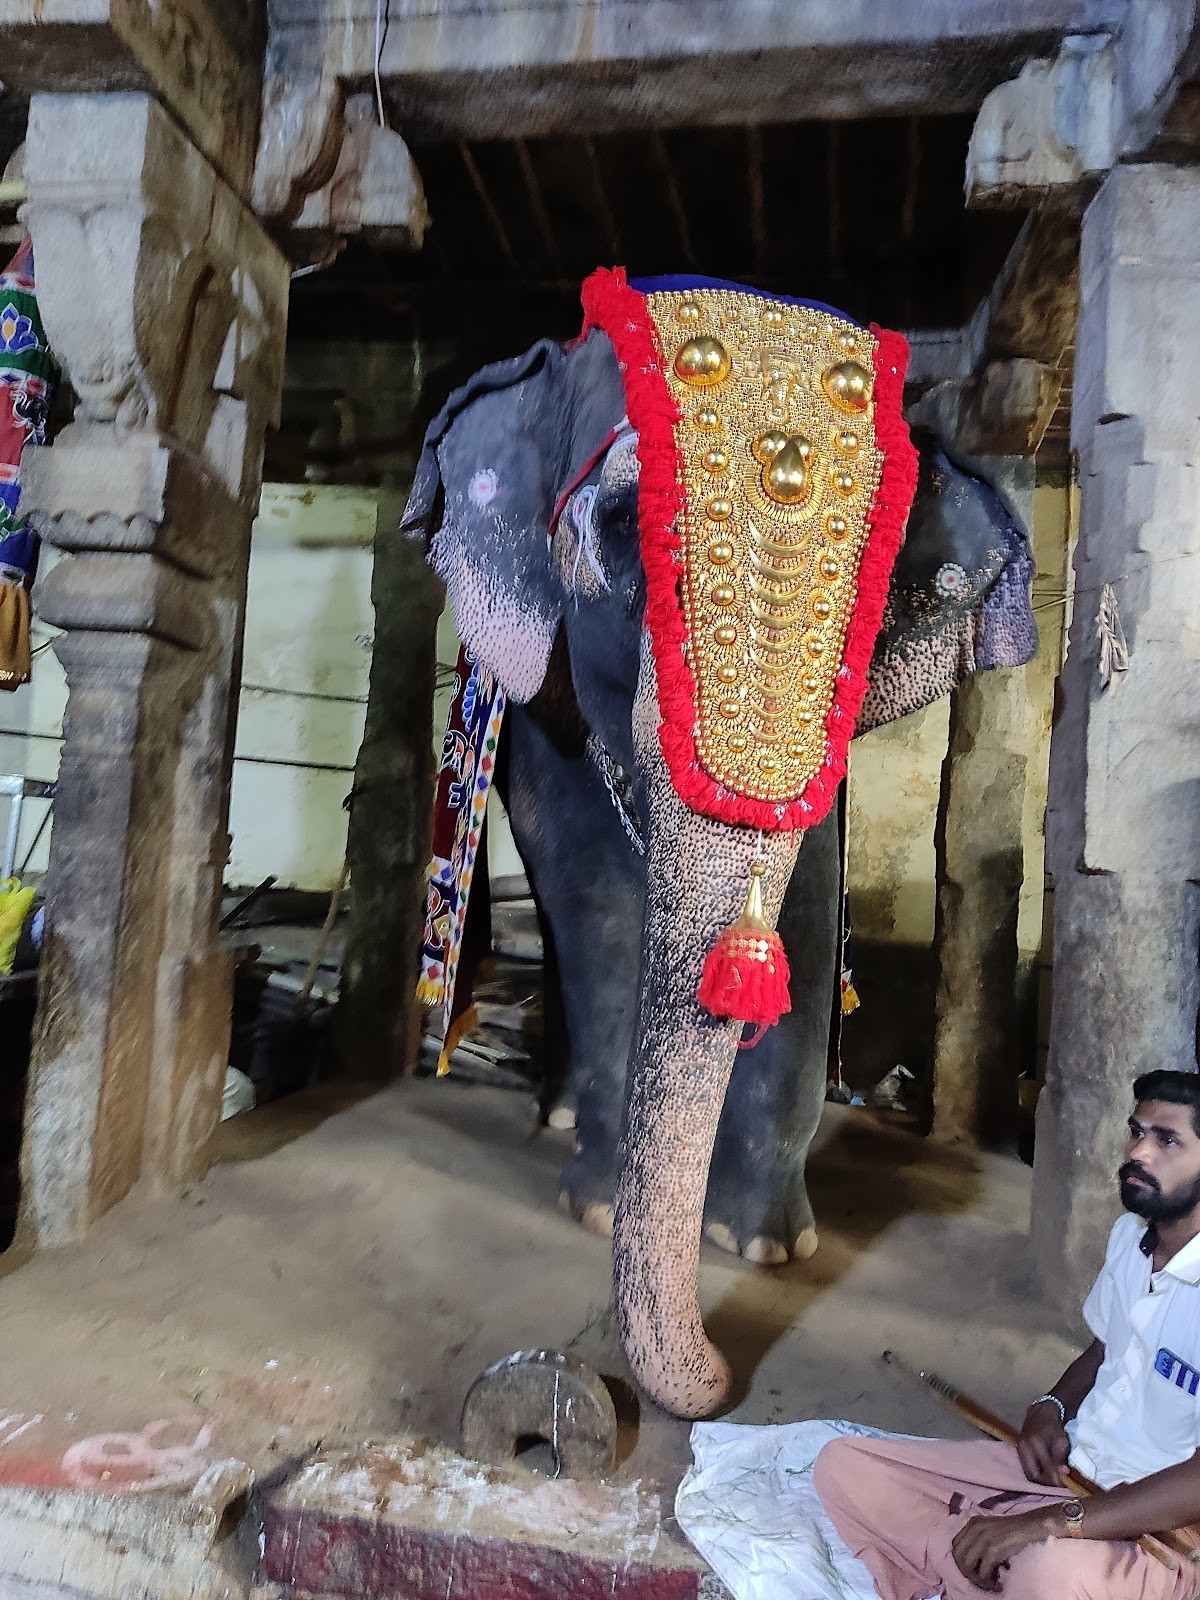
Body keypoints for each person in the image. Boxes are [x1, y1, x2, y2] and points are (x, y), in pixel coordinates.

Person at [814, 1070, 1200, 1600]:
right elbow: (1103, 1348)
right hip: (1069, 1474)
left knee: (1050, 1577)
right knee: (845, 1466)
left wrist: (1048, 1524)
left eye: (1167, 1140)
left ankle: (977, 1561)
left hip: (1157, 1522)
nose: (1138, 1152)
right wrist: (1050, 1407)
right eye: (1136, 1132)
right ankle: (985, 1563)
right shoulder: (1129, 1235)